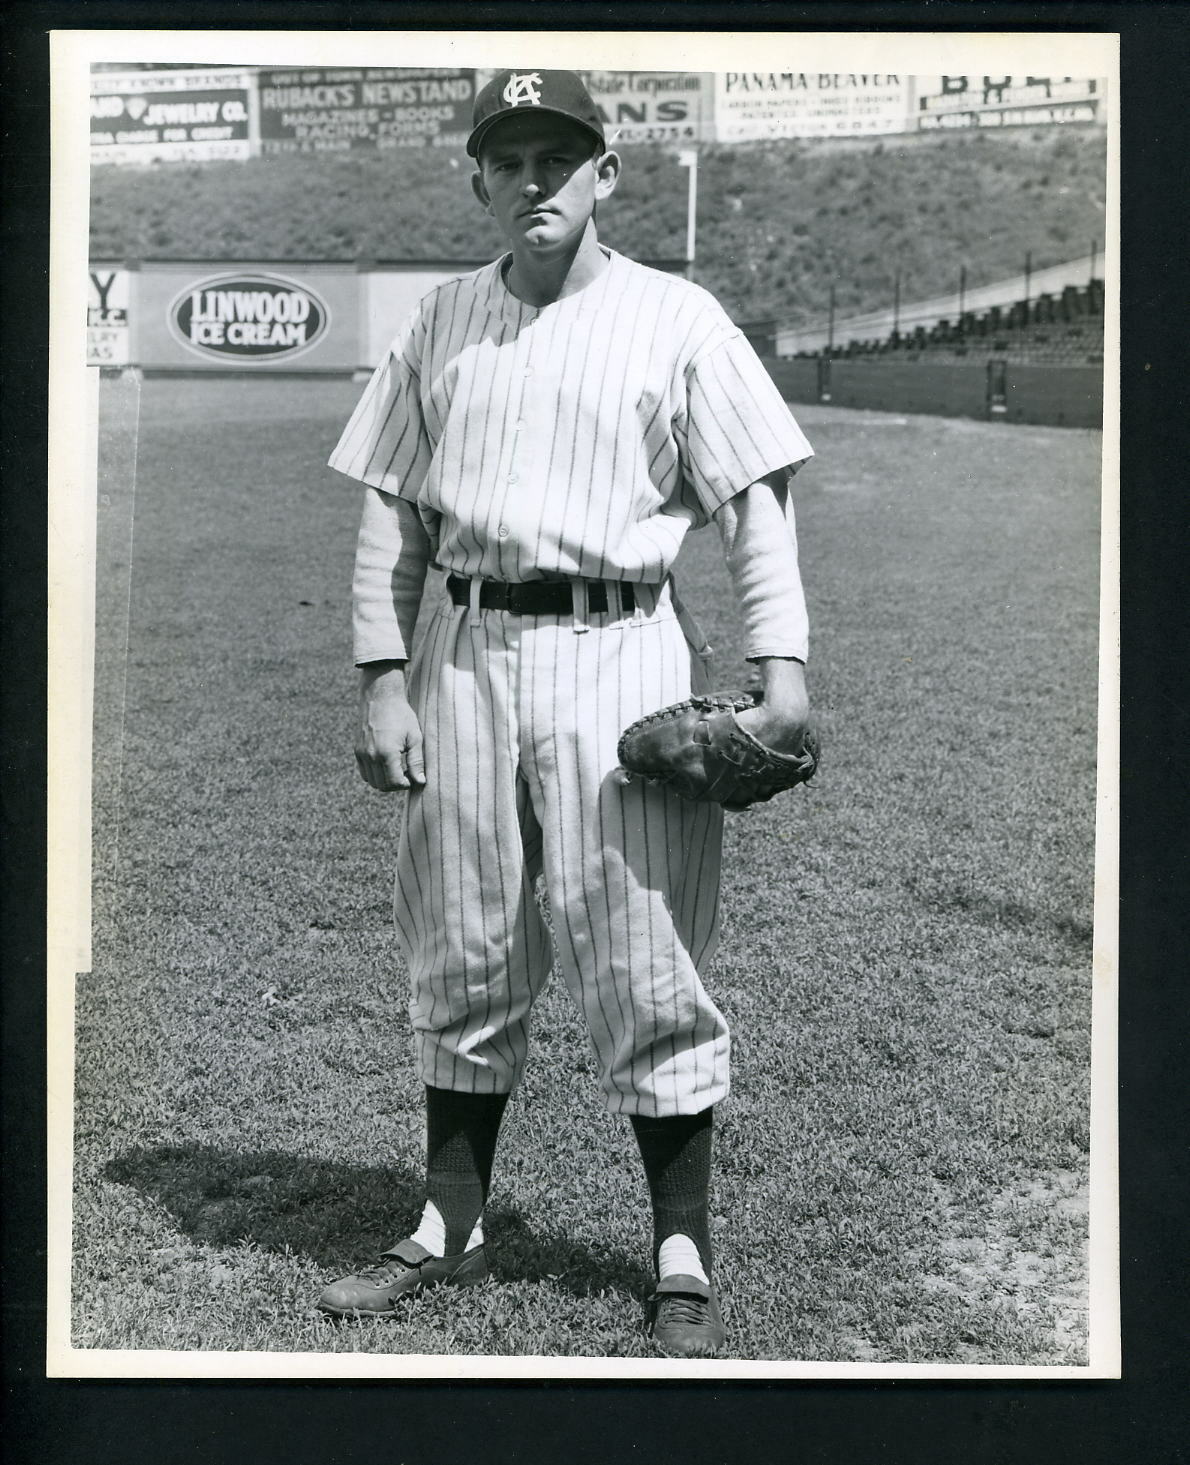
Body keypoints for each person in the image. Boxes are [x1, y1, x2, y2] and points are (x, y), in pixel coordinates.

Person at [319, 69, 815, 1358]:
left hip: (621, 651)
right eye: (509, 157)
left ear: (605, 173)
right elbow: (392, 513)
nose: (534, 178)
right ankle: (452, 1219)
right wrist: (382, 679)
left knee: (643, 948)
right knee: (466, 941)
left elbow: (755, 501)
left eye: (560, 155)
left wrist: (786, 671)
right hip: (464, 650)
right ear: (479, 178)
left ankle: (680, 1247)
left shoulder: (678, 318)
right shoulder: (438, 323)